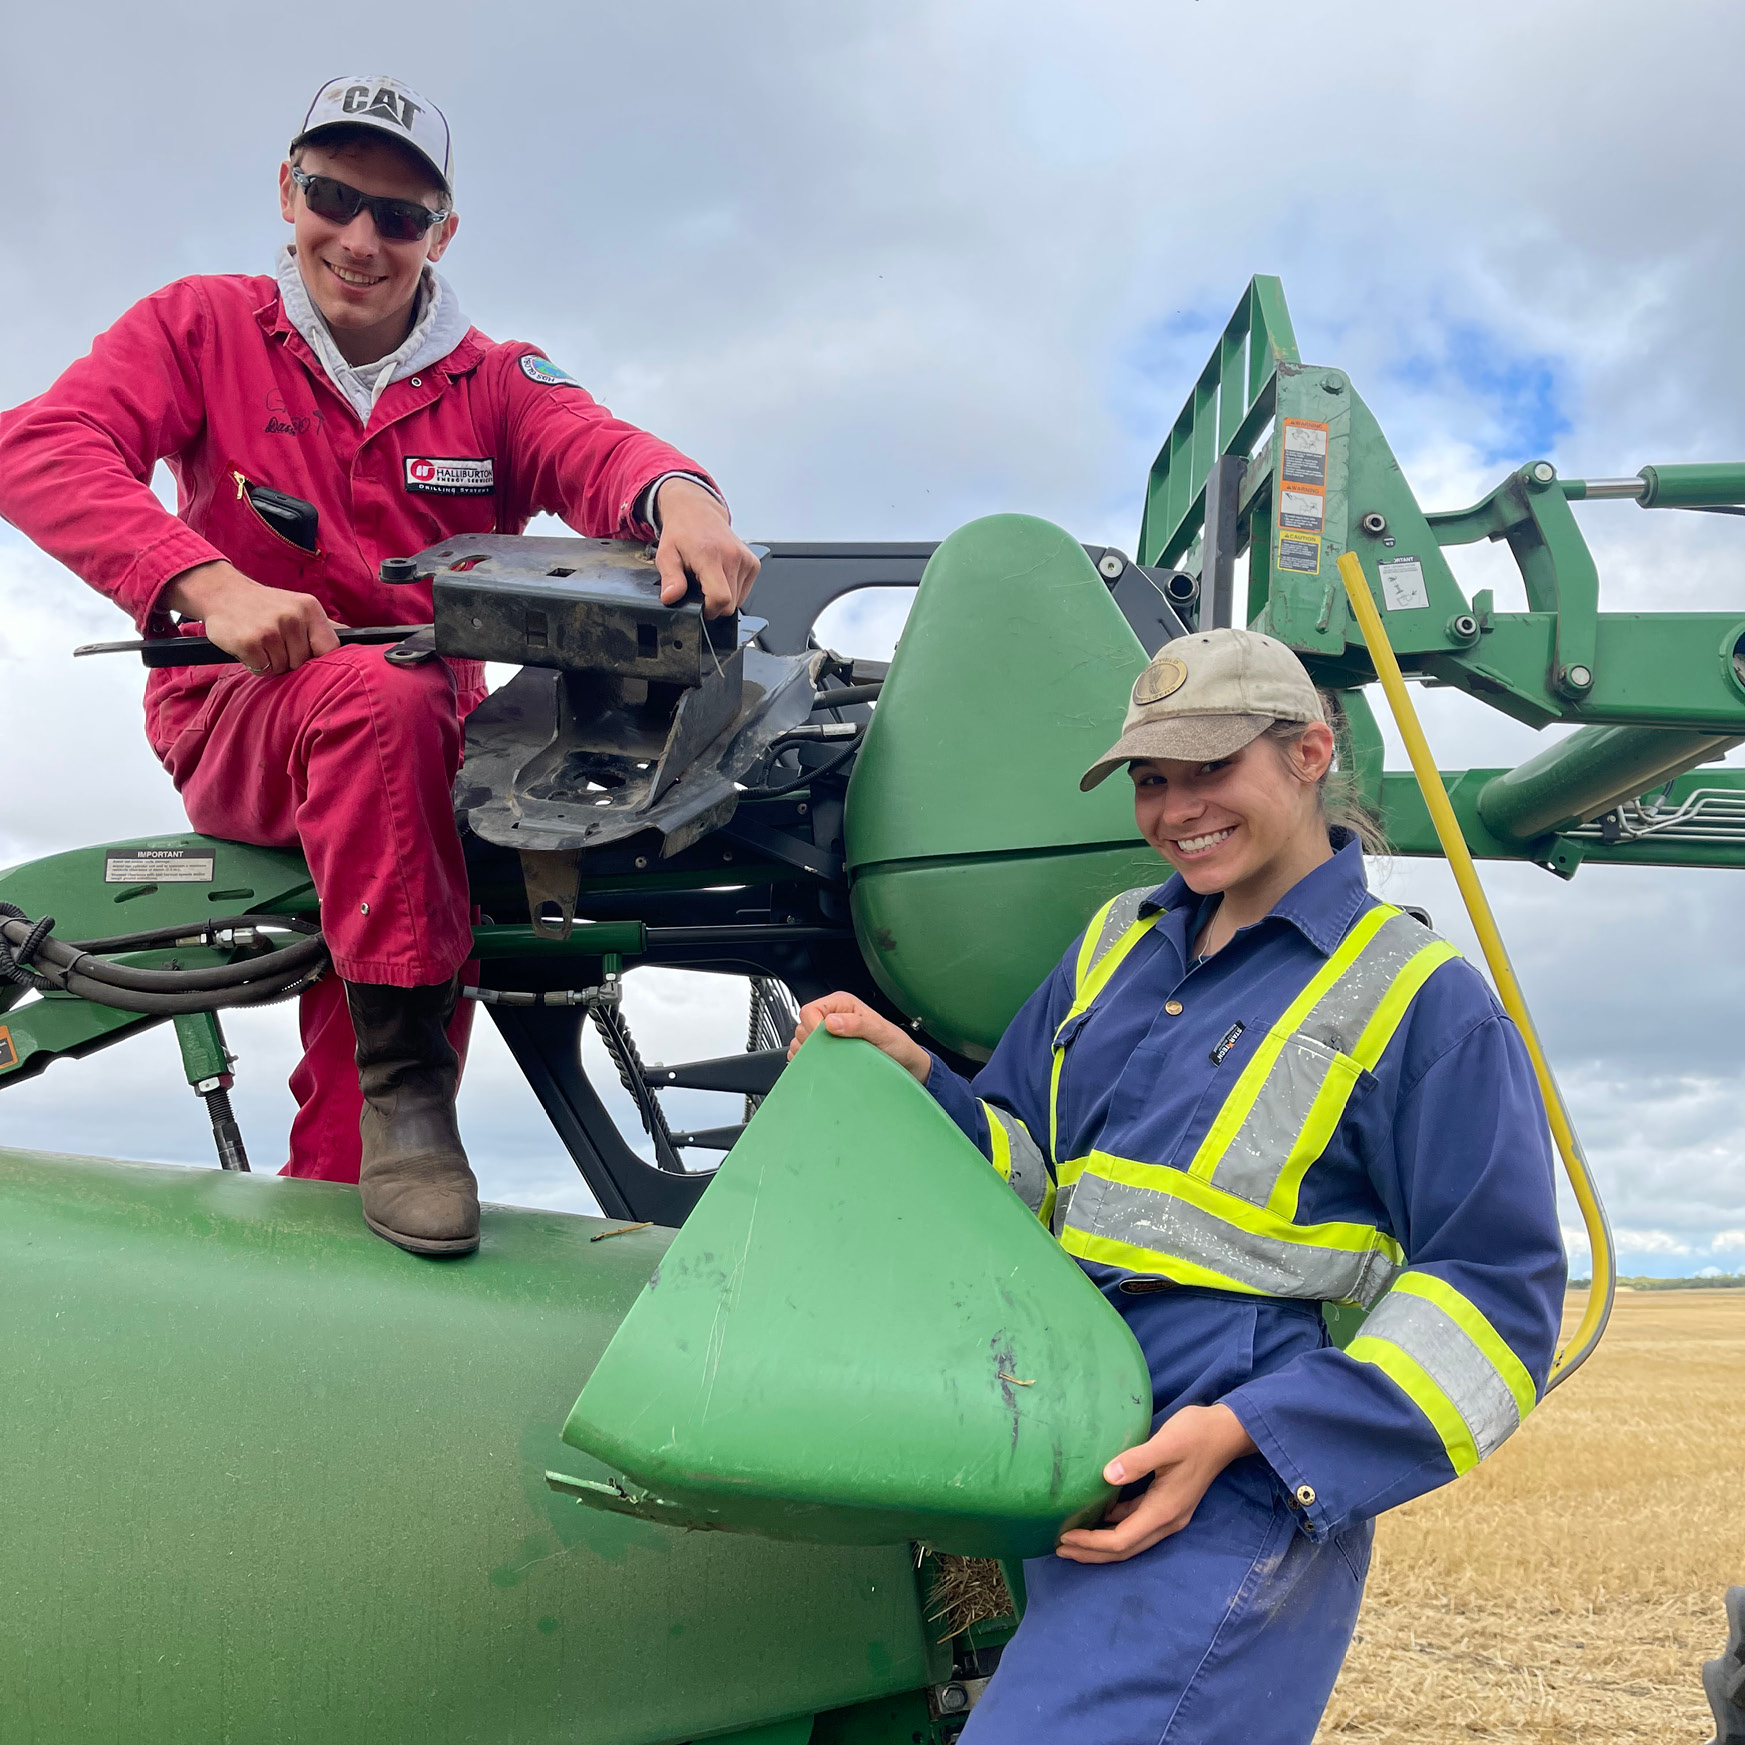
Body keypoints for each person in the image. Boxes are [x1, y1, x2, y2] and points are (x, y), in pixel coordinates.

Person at [0, 76, 759, 1257]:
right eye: (333, 197)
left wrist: (679, 494)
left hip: (414, 774)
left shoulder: (492, 379)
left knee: (408, 774)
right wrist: (207, 584)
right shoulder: (199, 325)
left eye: (397, 216)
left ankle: (334, 1289)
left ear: (440, 234)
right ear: (287, 191)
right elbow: (40, 446)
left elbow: (593, 443)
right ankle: (419, 1098)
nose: (359, 238)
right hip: (239, 717)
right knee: (384, 700)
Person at [791, 627, 1567, 1744]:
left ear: (1309, 751)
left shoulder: (1420, 996)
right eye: (1152, 779)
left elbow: (1495, 1299)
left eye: (1209, 769)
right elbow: (1032, 1169)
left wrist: (1247, 1430)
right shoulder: (1114, 941)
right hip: (1065, 1434)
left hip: (1227, 1478)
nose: (1174, 808)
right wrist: (920, 1080)